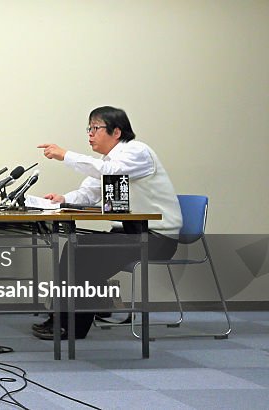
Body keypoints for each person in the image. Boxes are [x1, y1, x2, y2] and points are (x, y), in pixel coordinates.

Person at [33, 106, 182, 340]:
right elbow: (91, 192)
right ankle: (66, 316)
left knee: (82, 253)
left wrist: (66, 155)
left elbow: (108, 171)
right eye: (89, 129)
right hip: (129, 232)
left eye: (96, 128)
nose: (90, 134)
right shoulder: (110, 160)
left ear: (117, 132)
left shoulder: (137, 152)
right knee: (76, 247)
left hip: (158, 238)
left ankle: (73, 325)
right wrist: (63, 199)